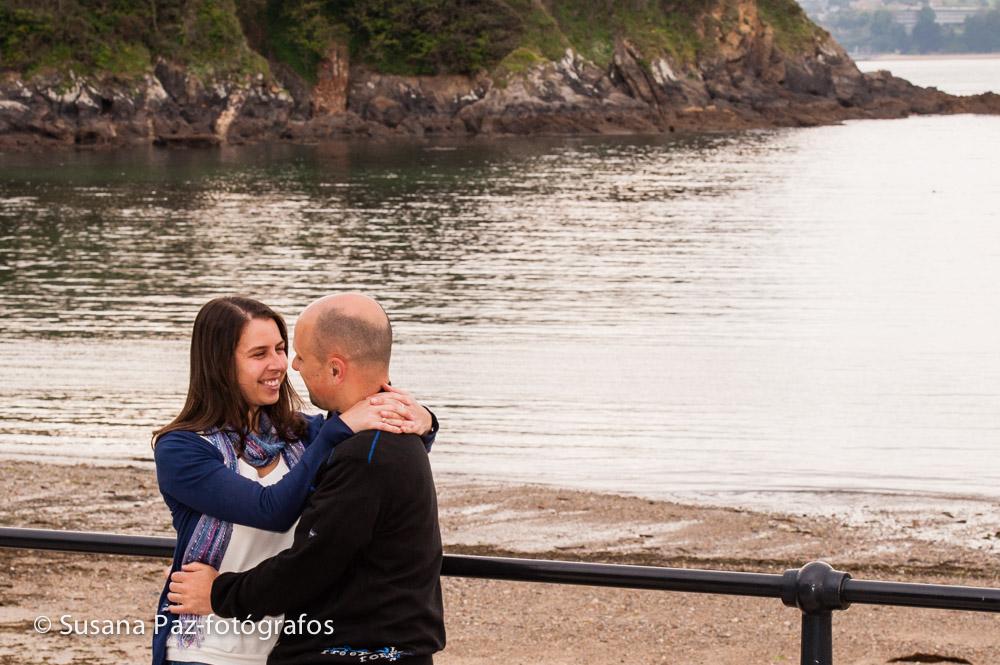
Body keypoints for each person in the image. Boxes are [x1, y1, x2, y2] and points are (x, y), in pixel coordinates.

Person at [152, 296, 439, 665]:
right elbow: (269, 509)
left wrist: (424, 420)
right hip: (210, 644)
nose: (279, 364)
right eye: (259, 354)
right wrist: (338, 428)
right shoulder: (182, 449)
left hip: (287, 643)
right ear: (220, 365)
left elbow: (378, 456)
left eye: (281, 348)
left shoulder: (304, 435)